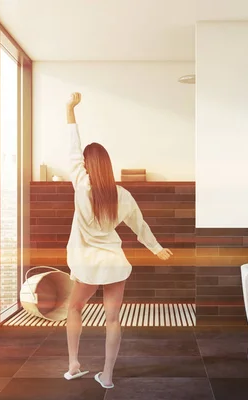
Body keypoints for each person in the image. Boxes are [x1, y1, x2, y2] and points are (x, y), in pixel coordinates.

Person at [62, 92, 173, 389]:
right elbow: (140, 225)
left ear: (87, 166)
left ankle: (74, 364)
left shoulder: (81, 185)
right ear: (107, 166)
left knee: (75, 308)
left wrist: (69, 109)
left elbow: (73, 148)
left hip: (87, 264)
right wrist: (157, 248)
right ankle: (107, 377)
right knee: (113, 320)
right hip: (114, 263)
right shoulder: (121, 194)